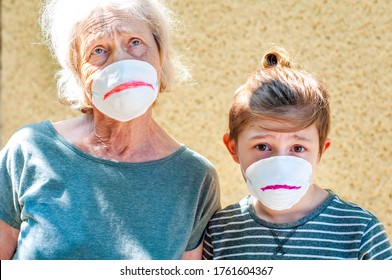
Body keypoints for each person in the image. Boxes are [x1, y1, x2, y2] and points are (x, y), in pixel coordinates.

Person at [0, 0, 220, 260]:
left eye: (135, 42)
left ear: (160, 55)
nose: (121, 63)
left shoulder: (195, 178)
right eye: (99, 50)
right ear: (78, 71)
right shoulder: (29, 150)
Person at [203, 47, 392, 260]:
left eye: (298, 148)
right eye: (263, 146)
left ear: (320, 151)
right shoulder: (220, 233)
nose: (280, 164)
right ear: (233, 148)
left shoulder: (359, 232)